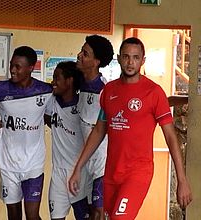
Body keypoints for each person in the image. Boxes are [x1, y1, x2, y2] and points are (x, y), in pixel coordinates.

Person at [69, 37, 193, 219]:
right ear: (119, 58)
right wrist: (78, 168)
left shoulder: (154, 93)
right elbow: (98, 131)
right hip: (111, 173)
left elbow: (170, 137)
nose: (130, 62)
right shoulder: (109, 91)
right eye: (126, 57)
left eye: (135, 57)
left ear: (143, 60)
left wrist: (182, 180)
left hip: (137, 173)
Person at [0, 46, 53, 220]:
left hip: (34, 162)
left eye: (18, 67)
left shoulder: (45, 91)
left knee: (32, 215)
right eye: (12, 65)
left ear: (31, 68)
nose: (13, 70)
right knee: (13, 215)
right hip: (8, 163)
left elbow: (53, 120)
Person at [45, 61, 90, 220]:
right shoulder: (51, 101)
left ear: (69, 81)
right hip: (58, 175)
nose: (53, 82)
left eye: (57, 78)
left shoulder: (83, 105)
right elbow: (39, 116)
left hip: (80, 174)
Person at [76, 35, 114, 219]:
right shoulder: (78, 83)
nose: (79, 56)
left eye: (85, 53)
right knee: (88, 213)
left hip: (102, 163)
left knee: (99, 212)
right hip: (85, 164)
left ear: (96, 62)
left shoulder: (105, 91)